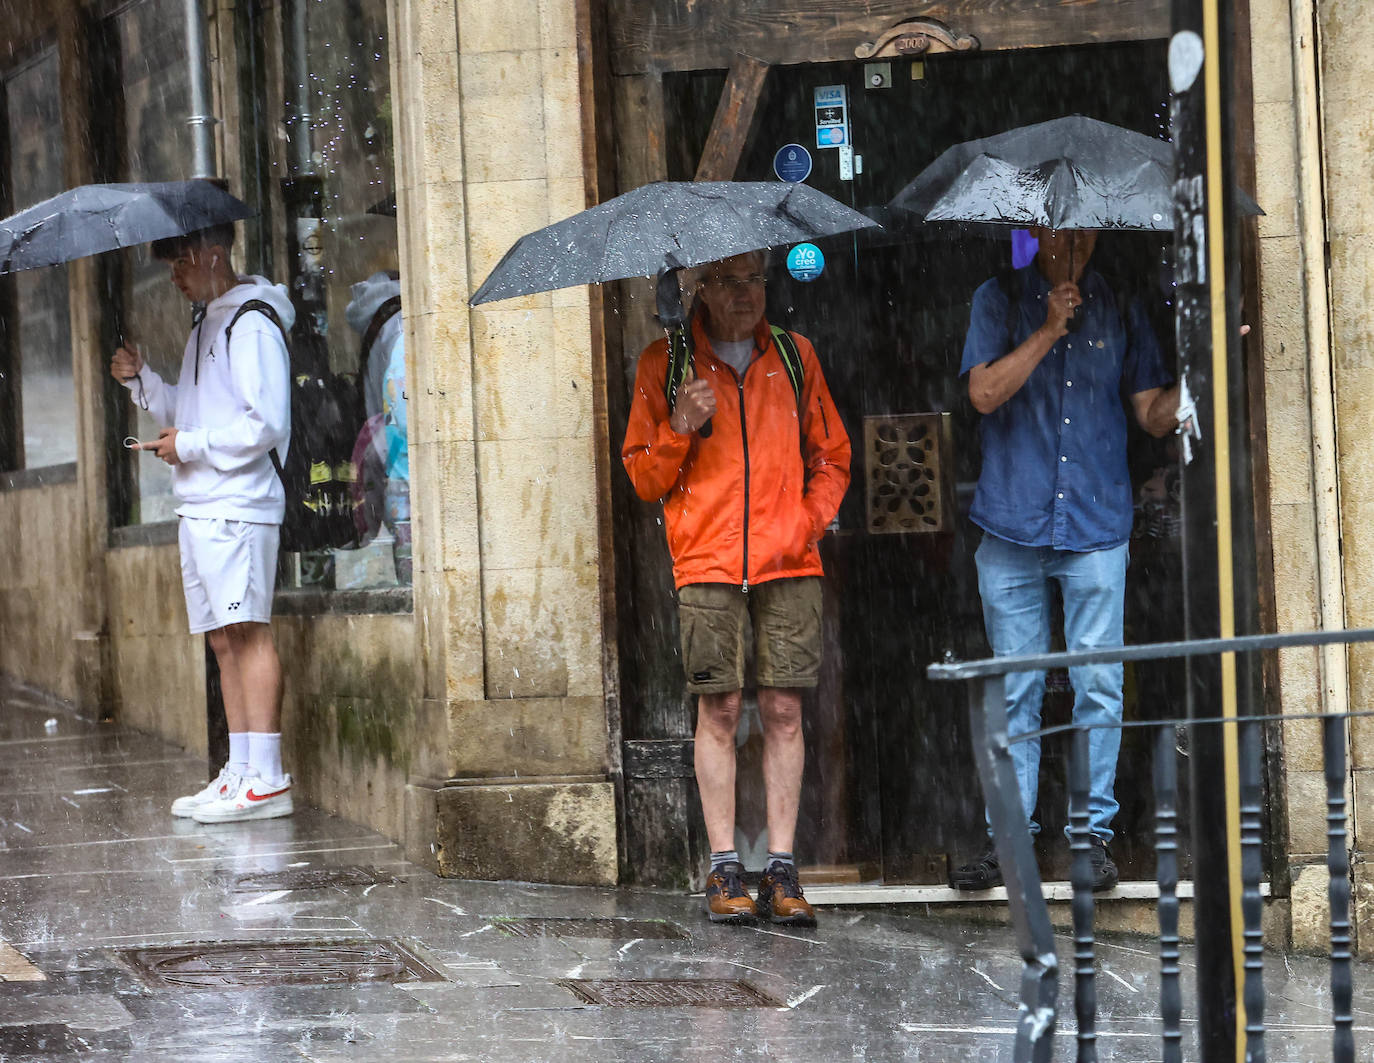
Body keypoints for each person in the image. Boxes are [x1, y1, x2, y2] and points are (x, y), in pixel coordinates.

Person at [621, 251, 851, 927]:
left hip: (787, 564)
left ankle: (781, 867)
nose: (746, 294)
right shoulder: (664, 366)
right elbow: (643, 478)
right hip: (709, 563)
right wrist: (678, 428)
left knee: (783, 709)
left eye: (755, 279)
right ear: (703, 288)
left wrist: (805, 522)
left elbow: (832, 455)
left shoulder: (794, 353)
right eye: (729, 280)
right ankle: (724, 865)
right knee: (717, 710)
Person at [950, 226, 1179, 893]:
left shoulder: (1123, 305)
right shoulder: (996, 298)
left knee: (1099, 684)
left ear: (1100, 233)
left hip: (1096, 523)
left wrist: (1210, 372)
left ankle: (1090, 839)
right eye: (1061, 228)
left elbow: (1152, 416)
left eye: (1086, 228)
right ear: (1037, 232)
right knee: (1016, 687)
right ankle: (1011, 843)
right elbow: (984, 393)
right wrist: (1049, 328)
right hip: (1012, 522)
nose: (1075, 240)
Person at [110, 220, 296, 823]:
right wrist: (144, 381)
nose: (174, 277)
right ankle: (241, 769)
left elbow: (265, 422)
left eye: (179, 264)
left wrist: (189, 445)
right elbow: (187, 413)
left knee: (248, 631)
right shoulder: (206, 324)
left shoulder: (252, 321)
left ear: (211, 255)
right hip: (202, 505)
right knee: (223, 638)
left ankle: (267, 776)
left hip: (238, 505)